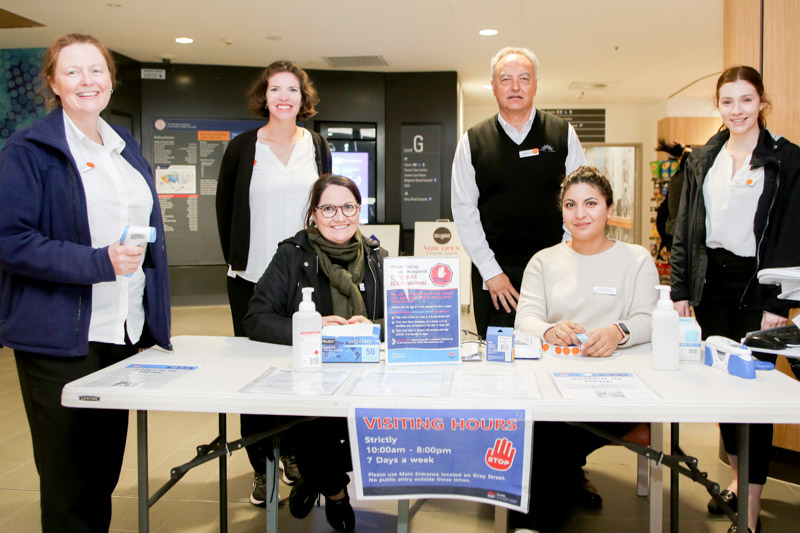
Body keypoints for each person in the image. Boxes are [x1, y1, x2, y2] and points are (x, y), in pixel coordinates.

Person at [0, 33, 171, 532]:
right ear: (53, 81)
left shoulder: (123, 148)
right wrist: (98, 262)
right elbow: (11, 241)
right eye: (72, 71)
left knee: (101, 472)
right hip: (60, 338)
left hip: (121, 334)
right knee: (68, 481)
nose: (86, 81)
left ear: (111, 80)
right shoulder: (29, 149)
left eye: (96, 70)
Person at [671, 65, 800, 533]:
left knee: (755, 396)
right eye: (728, 101)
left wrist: (777, 303)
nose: (737, 110)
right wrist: (682, 289)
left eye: (746, 100)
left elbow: (790, 235)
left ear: (762, 102)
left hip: (759, 285)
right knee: (724, 389)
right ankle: (736, 480)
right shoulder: (704, 157)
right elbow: (685, 226)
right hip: (711, 284)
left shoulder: (787, 160)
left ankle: (748, 510)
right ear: (718, 106)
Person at [512, 166, 658, 532]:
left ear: (609, 207)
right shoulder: (543, 261)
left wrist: (617, 331)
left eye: (591, 203)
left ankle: (533, 522)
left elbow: (650, 318)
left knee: (548, 438)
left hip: (619, 389)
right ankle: (544, 508)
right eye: (570, 205)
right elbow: (524, 320)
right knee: (544, 428)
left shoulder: (637, 259)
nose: (580, 214)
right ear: (561, 211)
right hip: (555, 383)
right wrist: (549, 331)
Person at [215, 59, 332, 505]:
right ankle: (262, 463)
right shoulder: (243, 148)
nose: (284, 97)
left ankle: (299, 456)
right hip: (251, 280)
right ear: (263, 96)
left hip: (305, 281)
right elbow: (225, 209)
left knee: (303, 370)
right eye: (275, 89)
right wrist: (237, 259)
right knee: (257, 376)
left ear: (304, 99)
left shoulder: (317, 146)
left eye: (293, 90)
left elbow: (325, 205)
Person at [244, 174, 386, 532]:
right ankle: (336, 493)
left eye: (348, 207)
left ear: (359, 210)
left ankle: (313, 480)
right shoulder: (292, 255)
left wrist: (372, 328)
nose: (339, 216)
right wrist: (312, 330)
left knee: (368, 427)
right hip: (306, 380)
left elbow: (402, 320)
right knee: (313, 425)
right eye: (328, 208)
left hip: (365, 378)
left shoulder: (377, 258)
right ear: (313, 214)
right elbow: (257, 318)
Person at [451, 46, 588, 337]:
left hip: (555, 271)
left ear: (536, 84)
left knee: (557, 351)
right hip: (496, 277)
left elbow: (580, 202)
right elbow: (464, 211)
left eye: (524, 78)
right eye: (506, 79)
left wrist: (562, 261)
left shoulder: (562, 134)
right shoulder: (472, 142)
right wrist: (491, 273)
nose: (515, 87)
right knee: (498, 363)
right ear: (493, 86)